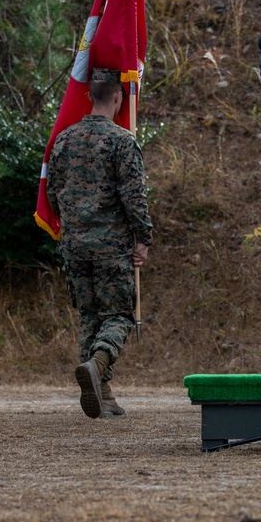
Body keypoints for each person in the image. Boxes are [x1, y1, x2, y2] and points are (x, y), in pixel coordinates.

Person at [46, 67, 153, 419]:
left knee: (89, 315)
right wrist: (143, 239)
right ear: (119, 98)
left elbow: (52, 194)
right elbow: (134, 196)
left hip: (74, 245)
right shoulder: (122, 142)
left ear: (90, 96)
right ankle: (99, 361)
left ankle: (102, 392)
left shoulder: (63, 140)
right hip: (111, 247)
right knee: (120, 314)